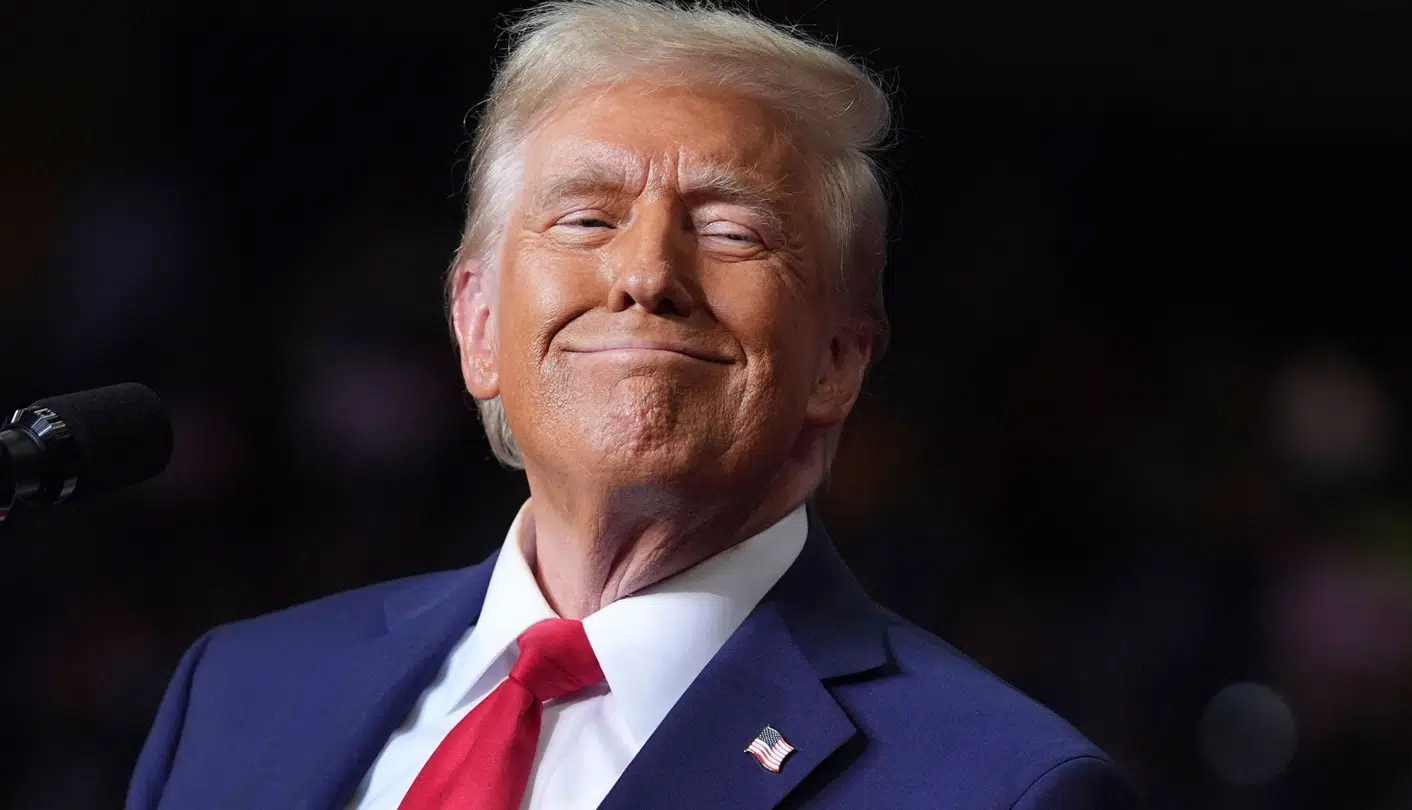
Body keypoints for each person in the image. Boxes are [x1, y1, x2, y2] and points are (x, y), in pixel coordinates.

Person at [126, 2, 1139, 808]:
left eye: (734, 231)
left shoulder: (997, 788)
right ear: (478, 327)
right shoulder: (237, 691)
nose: (646, 271)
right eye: (586, 217)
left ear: (836, 362)